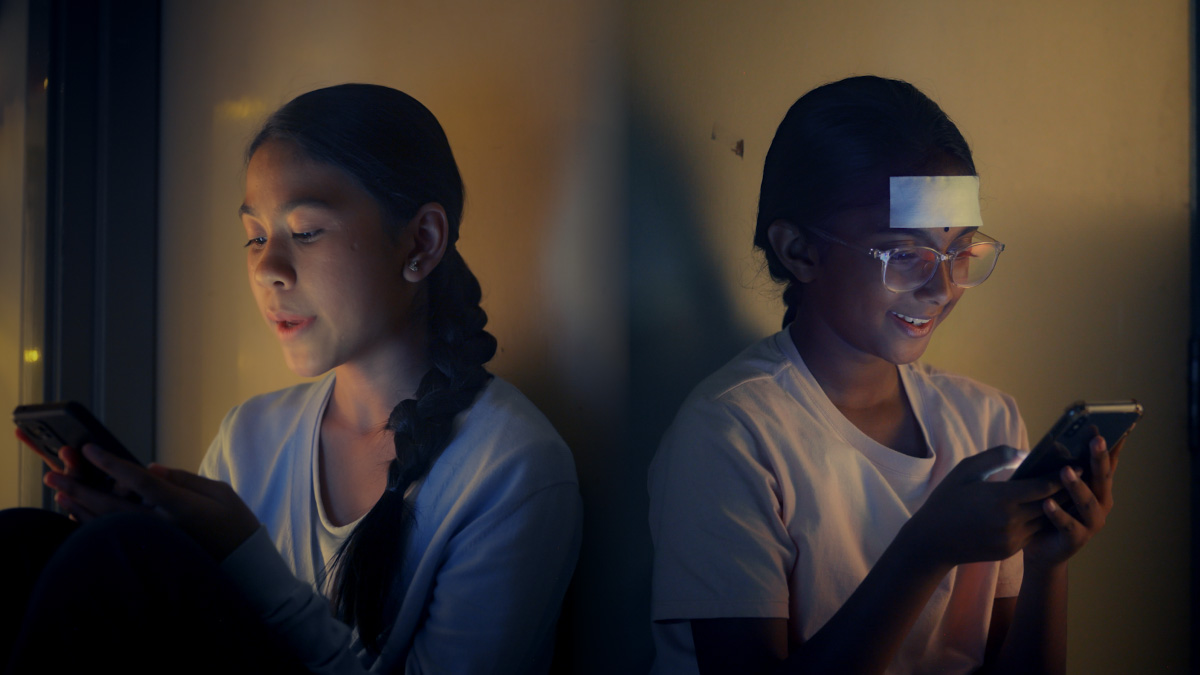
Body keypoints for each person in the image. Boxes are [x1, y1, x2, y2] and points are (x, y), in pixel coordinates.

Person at [8, 83, 582, 674]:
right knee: (26, 542)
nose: (266, 268)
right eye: (255, 236)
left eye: (305, 232)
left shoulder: (510, 468)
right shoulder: (251, 435)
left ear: (421, 241)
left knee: (123, 555)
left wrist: (240, 555)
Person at [648, 76, 1120, 675]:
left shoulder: (986, 421)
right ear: (800, 251)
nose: (942, 286)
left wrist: (1050, 562)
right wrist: (925, 552)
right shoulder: (732, 432)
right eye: (904, 254)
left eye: (962, 251)